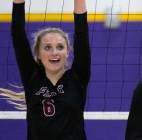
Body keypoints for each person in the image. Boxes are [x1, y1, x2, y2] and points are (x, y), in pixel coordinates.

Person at [3, 0, 90, 139]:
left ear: (68, 52)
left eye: (60, 47)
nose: (54, 52)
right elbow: (17, 34)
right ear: (38, 53)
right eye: (47, 47)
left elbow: (82, 34)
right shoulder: (32, 77)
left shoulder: (77, 78)